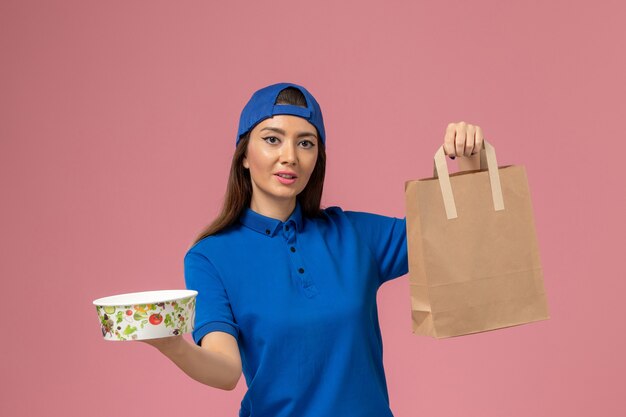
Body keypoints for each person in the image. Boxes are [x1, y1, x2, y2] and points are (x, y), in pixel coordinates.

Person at [140, 82, 486, 416]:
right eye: (272, 140)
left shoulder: (354, 234)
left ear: (317, 158)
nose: (289, 156)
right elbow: (226, 370)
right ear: (244, 155)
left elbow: (459, 239)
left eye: (305, 143)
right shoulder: (210, 258)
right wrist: (171, 344)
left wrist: (469, 162)